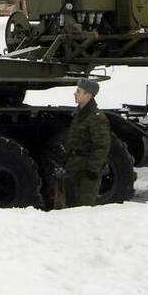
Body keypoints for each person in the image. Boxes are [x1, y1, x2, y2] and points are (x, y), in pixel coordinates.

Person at [64, 78, 111, 207]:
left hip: (87, 170)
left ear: (88, 95)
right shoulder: (79, 114)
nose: (75, 94)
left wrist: (92, 169)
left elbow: (102, 146)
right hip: (74, 166)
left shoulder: (96, 117)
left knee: (84, 207)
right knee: (71, 206)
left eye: (78, 91)